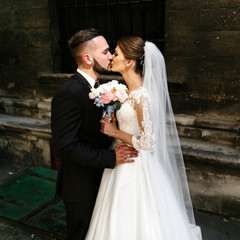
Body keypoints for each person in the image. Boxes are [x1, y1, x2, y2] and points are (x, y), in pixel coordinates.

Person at [85, 36, 202, 240]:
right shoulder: (126, 92)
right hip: (121, 158)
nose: (112, 56)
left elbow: (149, 142)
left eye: (117, 53)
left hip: (135, 165)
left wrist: (115, 132)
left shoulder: (142, 96)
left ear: (129, 61)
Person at [51, 29, 138, 240]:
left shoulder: (101, 87)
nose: (111, 56)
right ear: (88, 58)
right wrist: (111, 157)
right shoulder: (69, 93)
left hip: (103, 179)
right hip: (82, 187)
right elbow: (65, 146)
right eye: (106, 51)